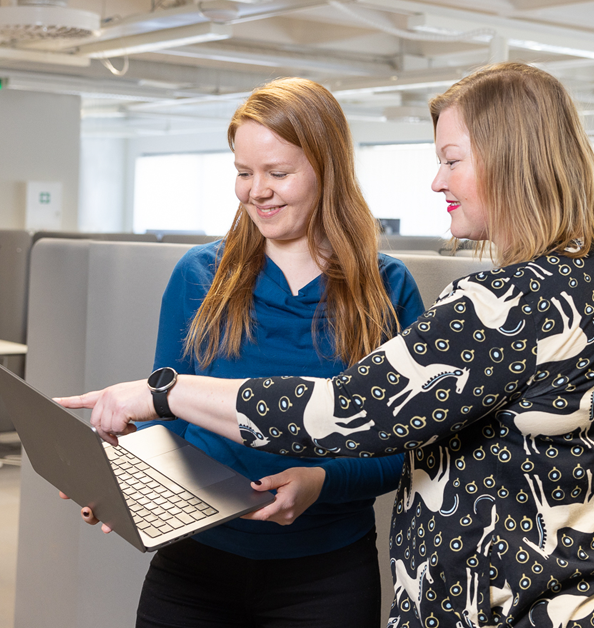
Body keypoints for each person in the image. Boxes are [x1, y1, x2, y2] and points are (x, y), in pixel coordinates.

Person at [58, 62, 594, 627]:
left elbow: (343, 411)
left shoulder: (494, 302)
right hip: (560, 591)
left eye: (451, 160)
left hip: (485, 597)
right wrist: (129, 481)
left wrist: (168, 393)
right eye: (243, 172)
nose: (437, 180)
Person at [60, 77, 423, 628]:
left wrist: (323, 482)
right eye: (243, 172)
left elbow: (407, 450)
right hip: (195, 563)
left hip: (325, 574)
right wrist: (121, 481)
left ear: (329, 171)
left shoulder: (386, 289)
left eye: (278, 173)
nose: (257, 191)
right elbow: (171, 421)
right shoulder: (199, 276)